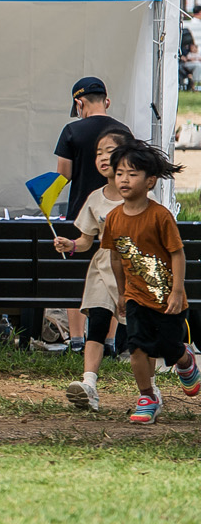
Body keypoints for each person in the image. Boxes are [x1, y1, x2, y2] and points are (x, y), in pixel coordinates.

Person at [94, 140, 196, 424]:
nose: (124, 179)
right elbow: (115, 258)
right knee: (137, 347)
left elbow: (177, 254)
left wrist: (177, 291)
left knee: (169, 349)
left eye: (132, 173)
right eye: (120, 173)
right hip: (135, 297)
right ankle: (147, 396)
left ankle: (185, 361)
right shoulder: (113, 219)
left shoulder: (160, 216)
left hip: (167, 301)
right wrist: (120, 293)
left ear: (150, 181)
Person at [53, 129, 129, 411]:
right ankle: (89, 384)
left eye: (108, 151)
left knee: (137, 332)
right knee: (97, 322)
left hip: (132, 269)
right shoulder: (95, 198)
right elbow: (86, 240)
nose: (102, 158)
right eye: (98, 153)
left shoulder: (137, 194)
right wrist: (69, 244)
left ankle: (150, 388)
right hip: (102, 269)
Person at [55, 77, 130, 347]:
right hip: (120, 212)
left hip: (80, 212)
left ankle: (76, 339)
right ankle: (109, 340)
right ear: (106, 101)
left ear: (79, 103)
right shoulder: (123, 133)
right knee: (112, 275)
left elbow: (64, 175)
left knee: (79, 278)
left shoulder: (71, 131)